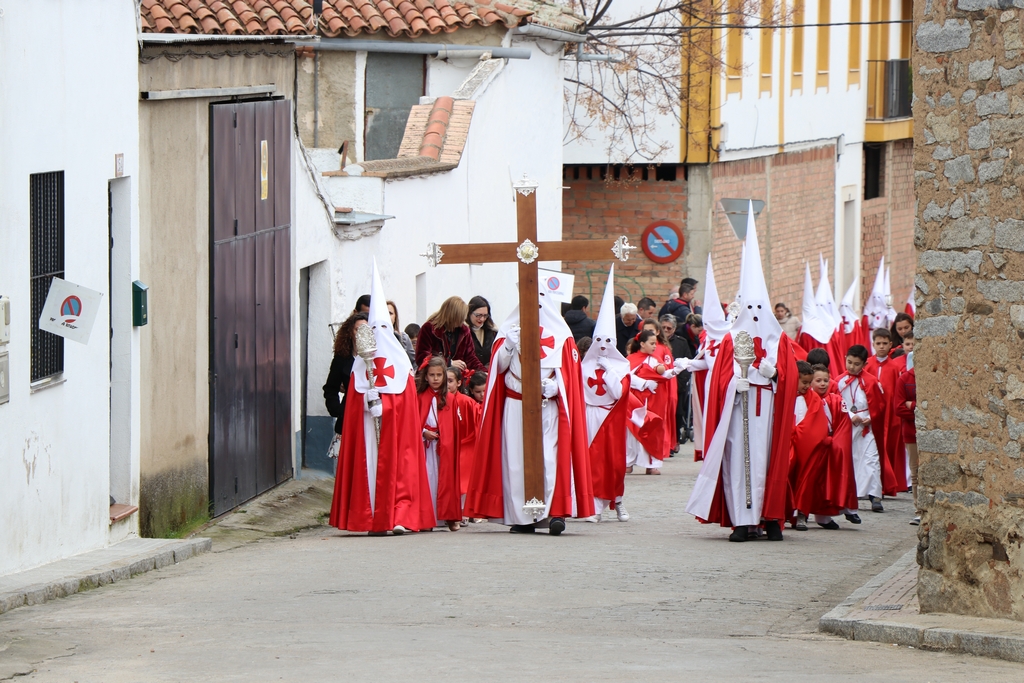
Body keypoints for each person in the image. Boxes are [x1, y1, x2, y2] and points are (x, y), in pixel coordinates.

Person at [684, 206, 797, 543]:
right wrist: (736, 383)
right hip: (739, 411)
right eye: (751, 309)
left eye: (761, 308)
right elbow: (719, 380)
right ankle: (743, 520)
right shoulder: (730, 340)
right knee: (738, 462)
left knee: (769, 462)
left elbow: (791, 378)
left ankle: (770, 517)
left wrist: (773, 374)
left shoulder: (779, 340)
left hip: (769, 413)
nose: (756, 315)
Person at [464, 284, 594, 534]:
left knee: (549, 459)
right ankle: (522, 517)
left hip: (548, 407)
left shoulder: (562, 336)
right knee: (516, 460)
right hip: (516, 404)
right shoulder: (509, 331)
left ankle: (552, 513)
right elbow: (498, 369)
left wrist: (556, 388)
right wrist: (508, 346)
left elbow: (570, 376)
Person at [329, 263, 435, 536]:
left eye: (381, 327)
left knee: (399, 469)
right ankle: (372, 516)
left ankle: (398, 515)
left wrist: (386, 405)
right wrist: (367, 401)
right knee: (370, 470)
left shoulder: (401, 364)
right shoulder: (359, 366)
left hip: (396, 433)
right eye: (371, 328)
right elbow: (353, 401)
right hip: (367, 432)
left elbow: (406, 402)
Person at [581, 267, 633, 521]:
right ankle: (594, 506)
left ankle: (618, 500)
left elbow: (619, 392)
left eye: (608, 341)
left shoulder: (621, 366)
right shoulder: (583, 366)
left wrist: (610, 370)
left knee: (613, 463)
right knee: (592, 461)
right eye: (598, 340)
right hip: (589, 415)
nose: (602, 346)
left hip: (611, 416)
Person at [789, 363, 858, 531]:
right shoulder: (790, 397)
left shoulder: (819, 400)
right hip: (795, 444)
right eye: (817, 381)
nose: (822, 384)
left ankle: (808, 514)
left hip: (815, 445)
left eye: (825, 380)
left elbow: (819, 422)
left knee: (816, 483)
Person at [836, 344, 888, 513]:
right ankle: (849, 493)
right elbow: (836, 402)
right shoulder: (839, 381)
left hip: (866, 428)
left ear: (865, 364)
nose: (852, 367)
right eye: (849, 362)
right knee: (850, 459)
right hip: (847, 426)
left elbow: (880, 405)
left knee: (871, 459)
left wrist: (870, 418)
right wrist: (850, 416)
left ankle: (875, 495)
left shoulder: (871, 381)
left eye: (856, 364)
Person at [626, 329, 684, 475]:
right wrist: (645, 383)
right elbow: (626, 377)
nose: (654, 346)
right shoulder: (631, 359)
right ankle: (628, 462)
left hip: (653, 400)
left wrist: (675, 371)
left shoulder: (655, 359)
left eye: (655, 343)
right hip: (636, 401)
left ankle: (651, 463)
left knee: (653, 429)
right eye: (651, 343)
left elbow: (663, 375)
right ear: (642, 344)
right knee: (632, 431)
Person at [416, 357, 461, 531]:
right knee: (427, 479)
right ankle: (426, 518)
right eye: (432, 375)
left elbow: (453, 426)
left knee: (445, 480)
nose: (435, 378)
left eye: (439, 375)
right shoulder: (419, 397)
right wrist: (423, 432)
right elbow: (413, 420)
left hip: (443, 447)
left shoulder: (450, 398)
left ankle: (446, 516)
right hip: (425, 447)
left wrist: (444, 436)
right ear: (426, 376)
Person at [865, 328, 905, 495]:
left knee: (887, 447)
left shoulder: (895, 367)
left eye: (884, 343)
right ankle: (870, 484)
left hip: (889, 413)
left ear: (890, 345)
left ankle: (885, 485)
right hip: (871, 412)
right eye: (878, 343)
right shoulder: (867, 364)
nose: (881, 346)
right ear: (873, 344)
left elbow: (897, 391)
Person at [323, 312, 368, 440]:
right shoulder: (341, 359)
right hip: (349, 419)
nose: (361, 334)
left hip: (370, 417)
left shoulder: (377, 359)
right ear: (350, 333)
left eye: (365, 330)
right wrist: (340, 411)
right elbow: (331, 389)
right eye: (357, 329)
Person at [415, 296, 484, 373]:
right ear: (452, 316)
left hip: (455, 377)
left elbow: (470, 358)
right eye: (459, 318)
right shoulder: (429, 328)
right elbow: (422, 357)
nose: (461, 322)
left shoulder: (464, 331)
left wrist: (484, 372)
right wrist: (448, 363)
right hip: (432, 376)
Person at [448, 365, 481, 514]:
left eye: (450, 381)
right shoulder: (436, 400)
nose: (447, 385)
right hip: (443, 444)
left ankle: (463, 510)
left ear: (459, 383)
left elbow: (477, 421)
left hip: (465, 443)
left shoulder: (467, 401)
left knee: (463, 478)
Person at [894, 334, 919, 524]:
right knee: (916, 472)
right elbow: (899, 408)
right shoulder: (904, 379)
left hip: (920, 431)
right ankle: (919, 508)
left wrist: (913, 405)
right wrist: (916, 409)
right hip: (911, 433)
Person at [662, 314, 694, 444]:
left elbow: (687, 363)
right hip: (661, 384)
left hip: (677, 384)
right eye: (663, 327)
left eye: (669, 328)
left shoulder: (682, 342)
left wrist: (680, 383)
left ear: (674, 329)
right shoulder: (655, 342)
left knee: (677, 413)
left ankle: (674, 441)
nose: (665, 330)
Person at [467, 296, 498, 369]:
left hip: (488, 372)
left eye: (485, 315)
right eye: (478, 315)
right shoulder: (463, 333)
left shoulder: (493, 332)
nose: (482, 319)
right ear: (469, 313)